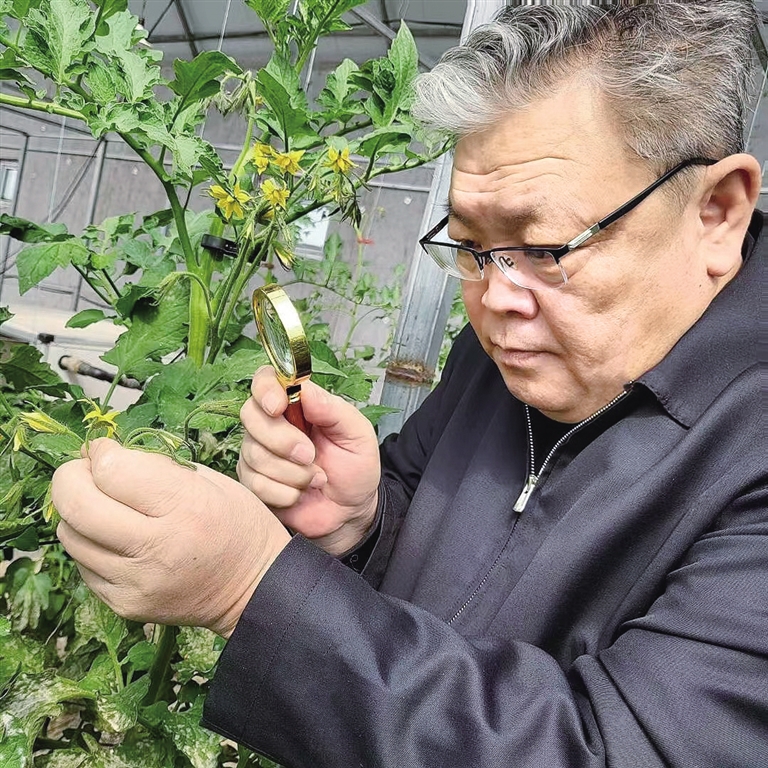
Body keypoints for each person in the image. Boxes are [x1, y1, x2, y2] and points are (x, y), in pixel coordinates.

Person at [52, 2, 767, 766]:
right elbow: (438, 563)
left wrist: (252, 588)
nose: (494, 300)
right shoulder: (504, 351)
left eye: (544, 248)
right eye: (470, 246)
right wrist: (362, 525)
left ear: (716, 213)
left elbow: (618, 752)